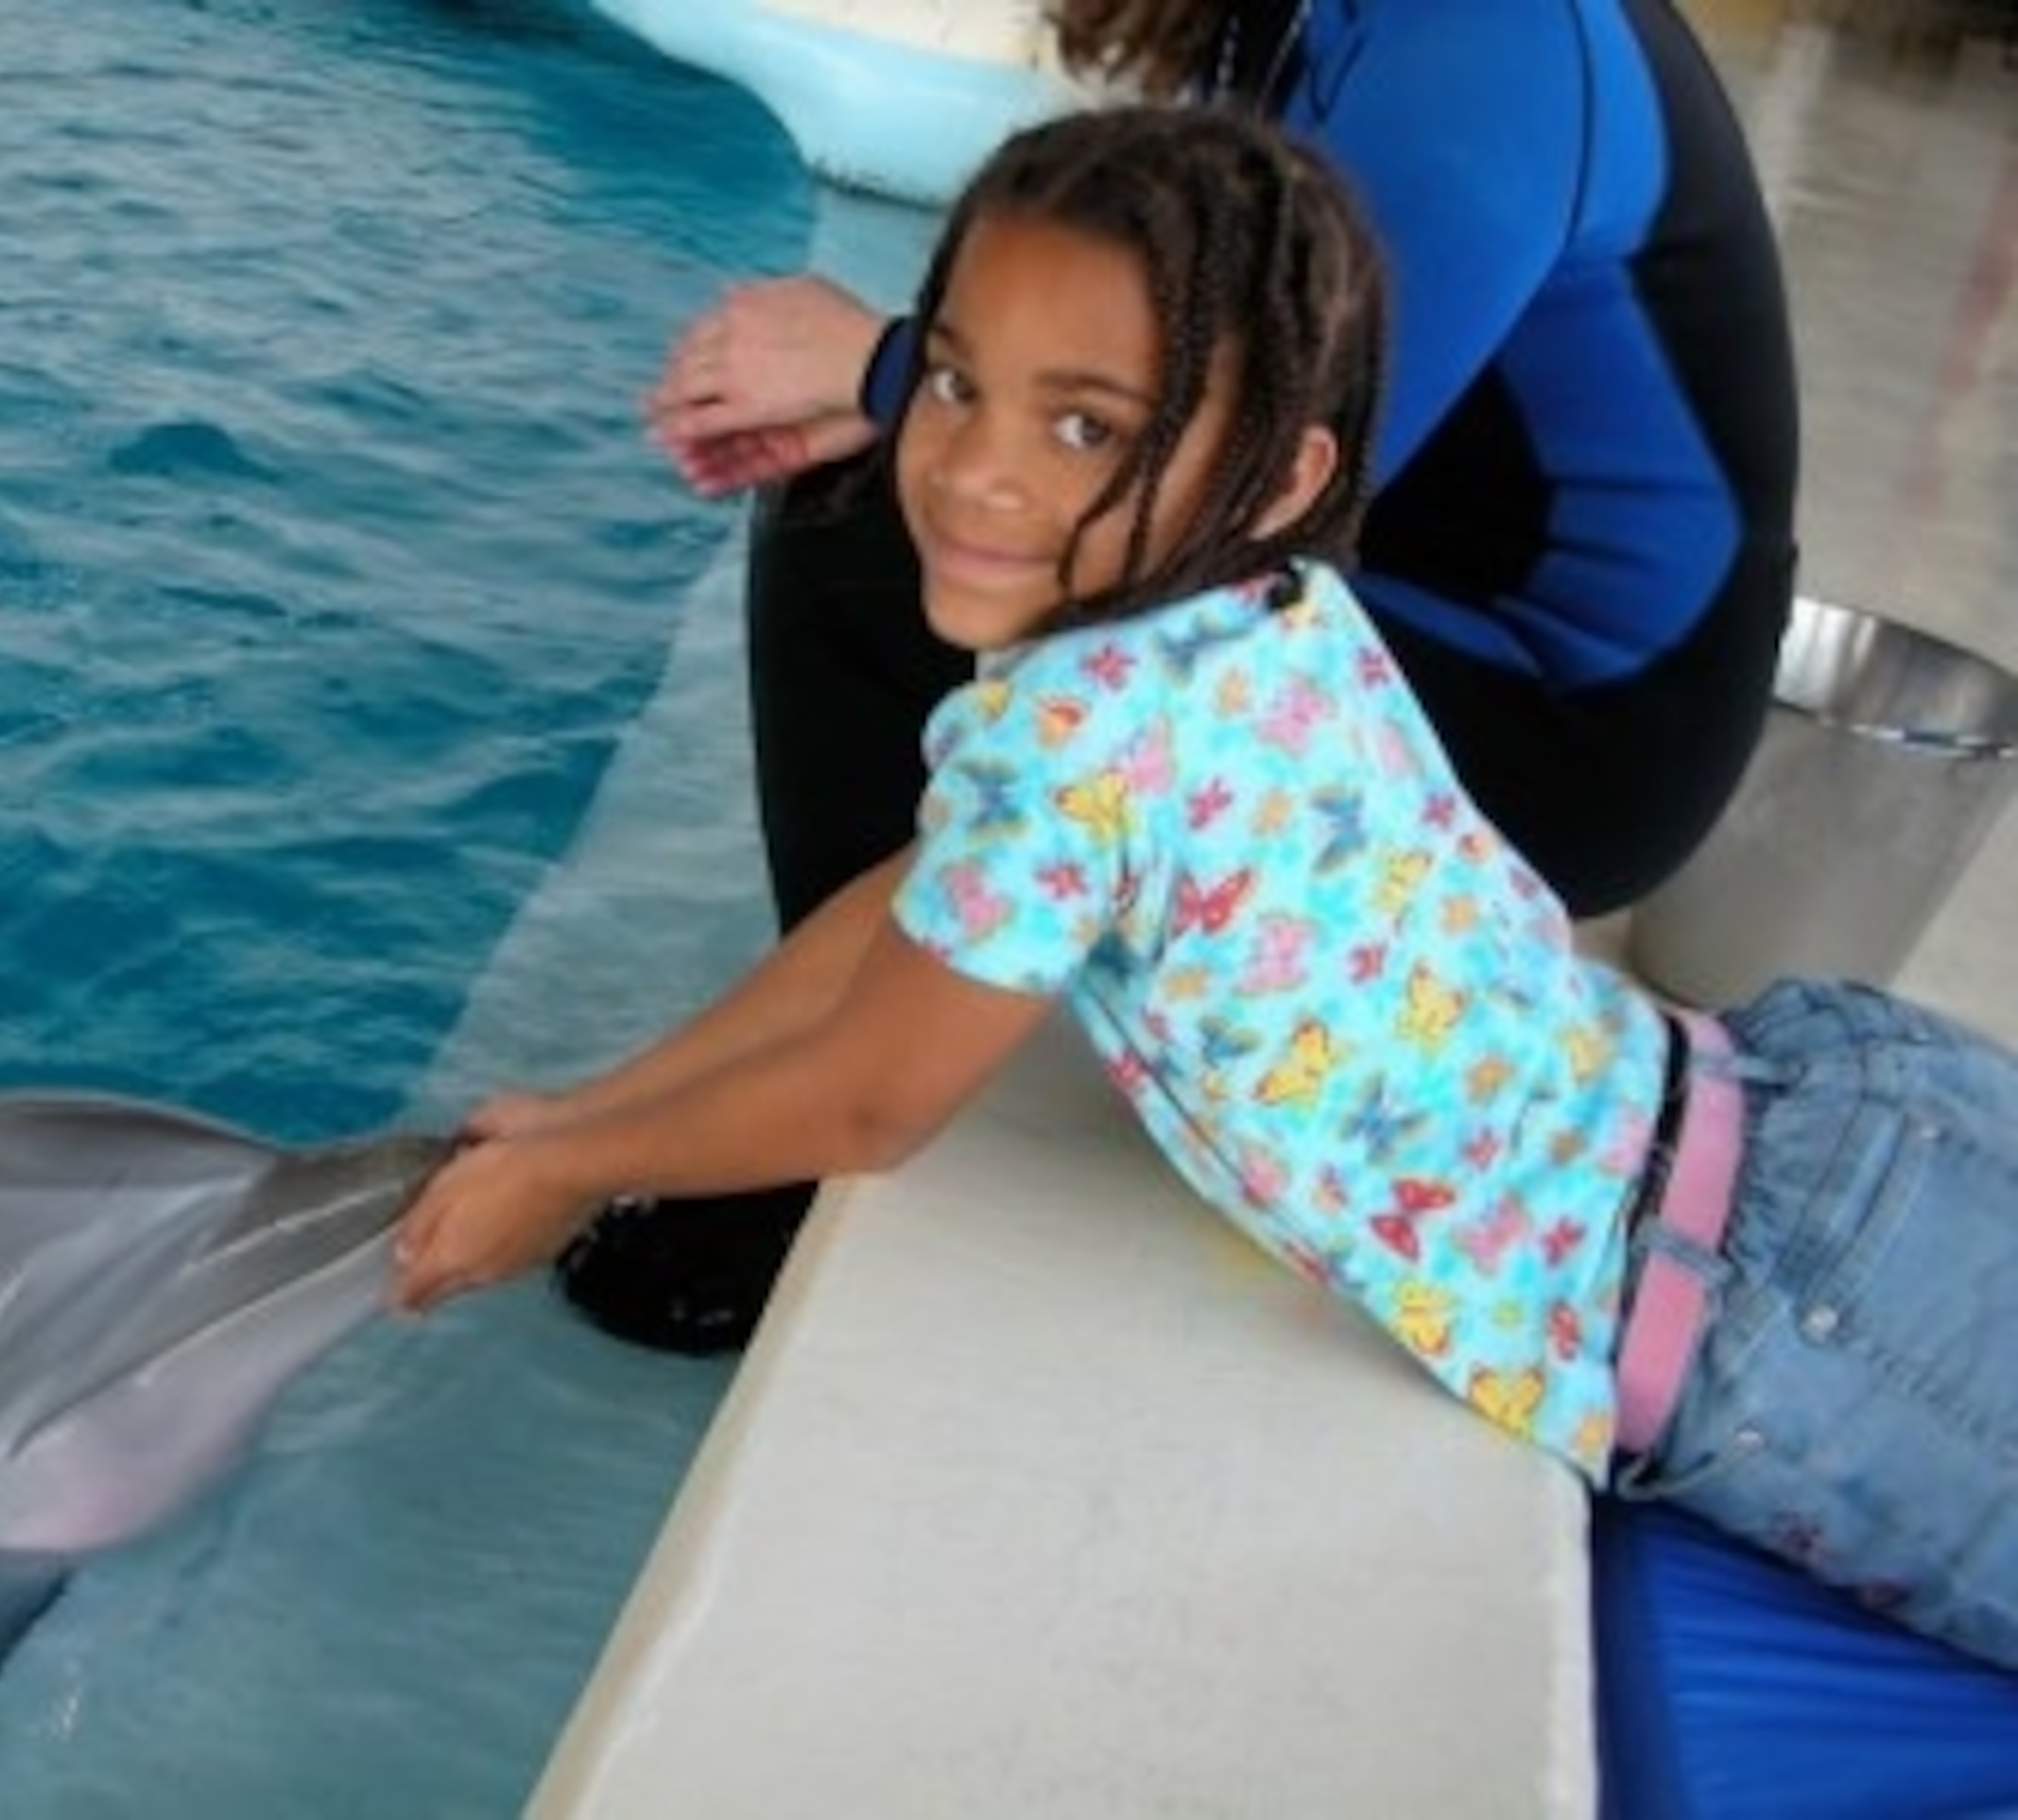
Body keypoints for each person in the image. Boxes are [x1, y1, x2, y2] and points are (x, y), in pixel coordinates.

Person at [390, 106, 2017, 1674]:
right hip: (1816, 1108)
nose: (974, 471)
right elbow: (903, 910)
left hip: (1776, 1311)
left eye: (1087, 426)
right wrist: (590, 1111)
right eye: (953, 381)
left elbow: (871, 1097)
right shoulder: (1262, 609)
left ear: (1281, 474)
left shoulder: (1076, 737)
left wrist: (575, 1173)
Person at [562, 0, 1804, 1353]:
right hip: (1421, 603)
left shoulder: (1494, 39)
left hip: (1576, 730)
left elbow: (1277, 452)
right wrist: (906, 382)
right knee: (914, 489)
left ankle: (819, 1128)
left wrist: (887, 369)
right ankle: (878, 998)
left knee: (879, 524)